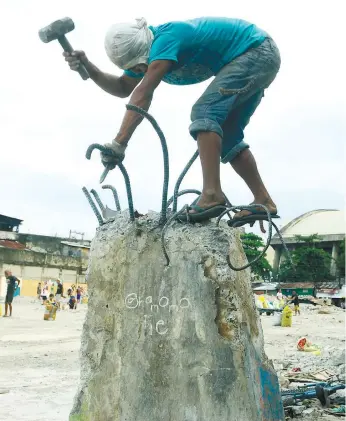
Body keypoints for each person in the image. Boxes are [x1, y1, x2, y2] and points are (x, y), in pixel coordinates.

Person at [64, 17, 280, 223]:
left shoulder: (165, 39)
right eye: (137, 69)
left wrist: (119, 143)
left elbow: (143, 93)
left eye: (142, 65)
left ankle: (212, 194)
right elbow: (122, 88)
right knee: (229, 134)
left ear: (146, 50)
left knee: (204, 113)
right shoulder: (149, 52)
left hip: (256, 50)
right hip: (259, 56)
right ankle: (263, 200)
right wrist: (88, 67)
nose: (141, 71)